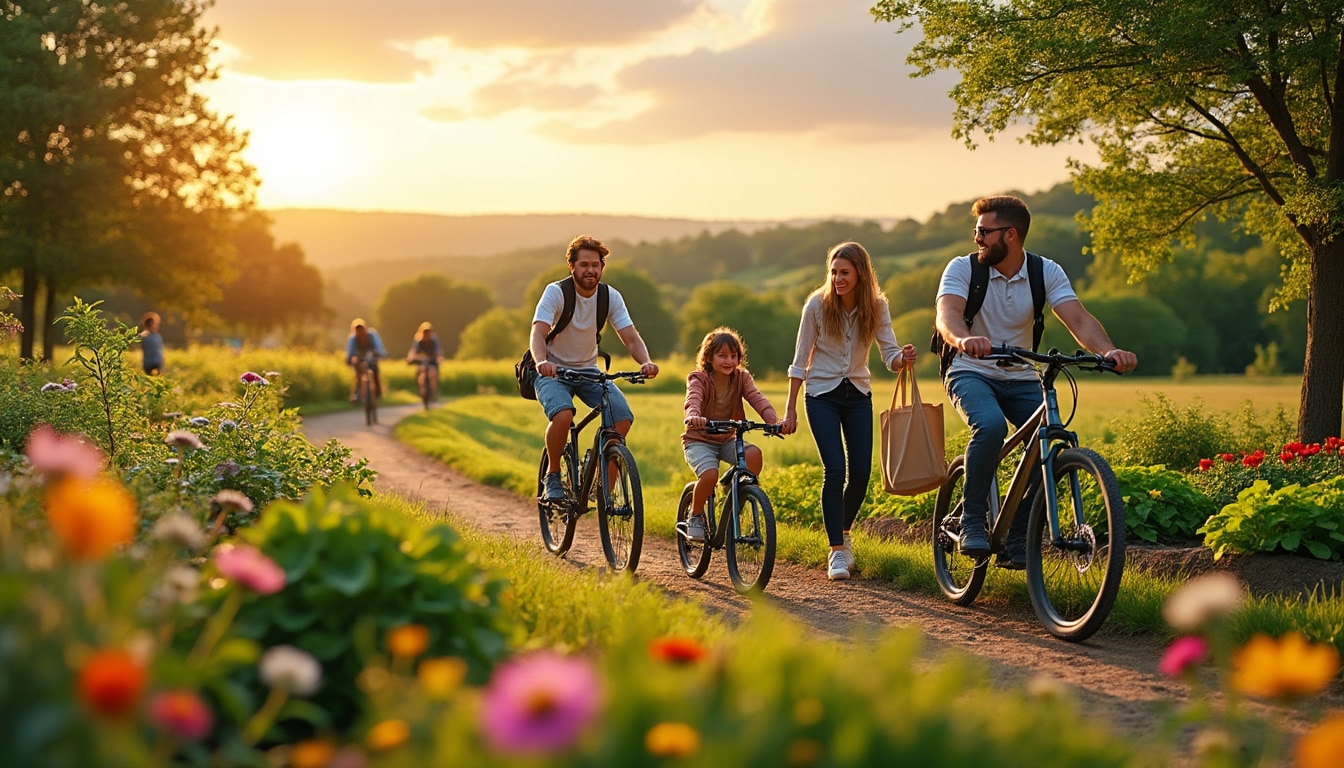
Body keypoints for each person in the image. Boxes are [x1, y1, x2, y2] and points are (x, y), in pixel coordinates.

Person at [934, 195, 1137, 568]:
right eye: (976, 231)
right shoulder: (963, 269)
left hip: (1022, 373)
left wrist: (1108, 351)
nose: (976, 238)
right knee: (991, 426)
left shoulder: (1046, 272)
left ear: (1010, 235)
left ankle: (1018, 534)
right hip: (970, 369)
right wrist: (963, 339)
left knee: (1050, 445)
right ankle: (972, 520)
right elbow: (947, 315)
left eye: (983, 232)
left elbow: (1077, 319)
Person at [781, 242, 917, 581]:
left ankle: (844, 530)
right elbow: (800, 362)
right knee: (835, 470)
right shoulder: (816, 305)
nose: (838, 278)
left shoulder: (877, 307)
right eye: (833, 272)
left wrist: (904, 358)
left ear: (860, 273)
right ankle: (837, 552)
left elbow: (889, 355)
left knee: (860, 473)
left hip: (858, 393)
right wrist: (790, 410)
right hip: (821, 395)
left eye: (844, 272)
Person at [530, 234, 660, 501]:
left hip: (589, 371)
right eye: (584, 264)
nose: (590, 270)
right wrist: (542, 362)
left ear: (602, 267)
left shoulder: (609, 296)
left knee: (621, 417)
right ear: (572, 266)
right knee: (564, 416)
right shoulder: (556, 292)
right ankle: (553, 475)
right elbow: (538, 333)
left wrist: (645, 362)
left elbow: (631, 337)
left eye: (595, 265)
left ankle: (603, 488)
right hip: (553, 371)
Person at [678, 327, 781, 542]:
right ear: (708, 357)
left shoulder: (741, 378)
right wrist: (693, 415)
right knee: (709, 475)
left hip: (727, 438)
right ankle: (696, 515)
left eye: (733, 356)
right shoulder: (699, 378)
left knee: (753, 456)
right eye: (722, 355)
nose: (729, 361)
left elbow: (757, 398)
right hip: (699, 440)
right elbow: (693, 399)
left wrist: (773, 421)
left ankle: (736, 494)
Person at [346, 318, 388, 402]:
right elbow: (350, 352)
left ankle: (378, 391)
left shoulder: (372, 335)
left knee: (375, 370)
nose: (360, 333)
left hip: (372, 356)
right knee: (358, 372)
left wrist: (382, 354)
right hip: (359, 358)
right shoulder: (353, 339)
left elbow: (378, 347)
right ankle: (357, 392)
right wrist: (349, 359)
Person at [407, 321, 443, 403]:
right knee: (420, 371)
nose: (426, 335)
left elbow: (438, 352)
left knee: (433, 372)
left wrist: (437, 358)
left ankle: (433, 391)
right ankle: (421, 389)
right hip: (423, 361)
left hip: (432, 360)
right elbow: (414, 352)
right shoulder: (419, 342)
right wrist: (411, 358)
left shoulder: (434, 341)